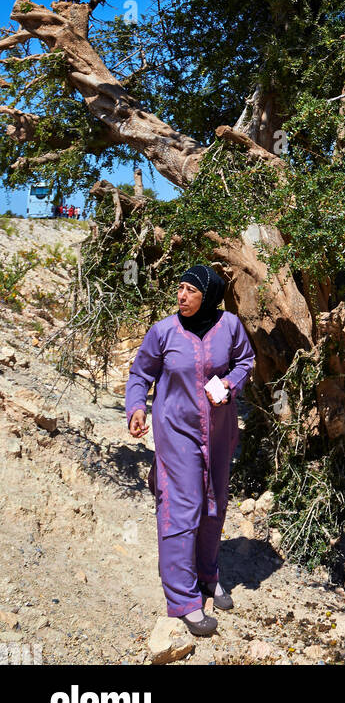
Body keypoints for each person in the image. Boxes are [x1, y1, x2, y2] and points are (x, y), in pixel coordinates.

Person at [125, 265, 255, 636]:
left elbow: (245, 362)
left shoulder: (229, 326)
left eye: (190, 290)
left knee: (214, 505)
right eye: (179, 289)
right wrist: (137, 407)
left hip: (219, 432)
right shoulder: (164, 331)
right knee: (182, 508)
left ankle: (208, 575)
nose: (181, 296)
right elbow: (140, 374)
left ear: (208, 296)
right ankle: (183, 600)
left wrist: (230, 384)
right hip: (176, 432)